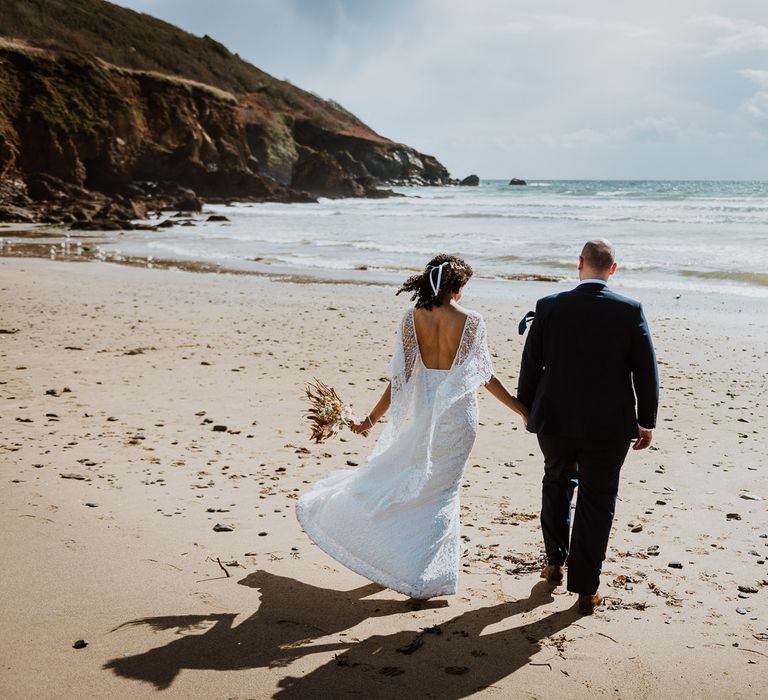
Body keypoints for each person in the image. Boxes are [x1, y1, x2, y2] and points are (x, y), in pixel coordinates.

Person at [297, 254, 528, 599]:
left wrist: (370, 420)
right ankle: (422, 577)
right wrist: (521, 410)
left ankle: (415, 564)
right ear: (456, 287)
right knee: (443, 492)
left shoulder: (411, 318)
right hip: (457, 419)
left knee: (421, 487)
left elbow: (401, 378)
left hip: (422, 412)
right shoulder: (473, 321)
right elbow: (485, 376)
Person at [517, 239, 659, 614]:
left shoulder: (549, 307)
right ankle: (585, 589)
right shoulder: (629, 310)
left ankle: (554, 563)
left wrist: (528, 409)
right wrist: (646, 421)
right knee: (598, 501)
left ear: (579, 264)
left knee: (556, 482)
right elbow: (646, 370)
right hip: (608, 426)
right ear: (613, 268)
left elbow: (530, 364)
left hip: (555, 420)